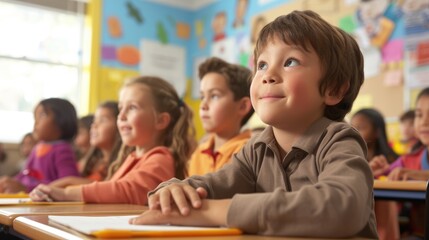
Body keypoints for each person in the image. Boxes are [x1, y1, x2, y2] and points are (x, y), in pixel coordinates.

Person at [128, 10, 377, 238]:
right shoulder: (257, 148)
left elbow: (342, 207)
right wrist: (176, 189)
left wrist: (211, 212)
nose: (268, 75)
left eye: (290, 62)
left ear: (333, 89)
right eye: (262, 65)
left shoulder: (339, 140)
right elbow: (214, 184)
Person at [30, 76, 196, 205]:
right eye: (120, 109)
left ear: (161, 121)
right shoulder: (131, 158)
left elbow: (129, 191)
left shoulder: (161, 158)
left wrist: (67, 194)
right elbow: (110, 191)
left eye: (132, 108)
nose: (121, 116)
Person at [370, 87, 429, 238]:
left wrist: (422, 176)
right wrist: (373, 170)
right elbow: (388, 172)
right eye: (419, 115)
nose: (424, 122)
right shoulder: (409, 160)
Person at [188, 57, 253, 176]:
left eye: (214, 96)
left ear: (243, 106)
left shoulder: (250, 153)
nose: (203, 105)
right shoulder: (198, 153)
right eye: (202, 97)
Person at [0, 98, 79, 193]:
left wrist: (26, 189)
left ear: (62, 121)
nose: (36, 122)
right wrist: (10, 182)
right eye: (35, 117)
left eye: (42, 115)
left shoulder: (63, 150)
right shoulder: (38, 147)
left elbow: (69, 184)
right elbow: (26, 173)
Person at [350, 108, 400, 240]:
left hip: (389, 216)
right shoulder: (350, 159)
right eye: (351, 127)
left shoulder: (391, 161)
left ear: (377, 132)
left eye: (360, 127)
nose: (354, 132)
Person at [49, 101, 122, 187]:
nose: (94, 125)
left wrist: (69, 181)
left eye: (102, 120)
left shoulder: (121, 163)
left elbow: (107, 187)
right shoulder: (90, 162)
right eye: (95, 120)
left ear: (120, 125)